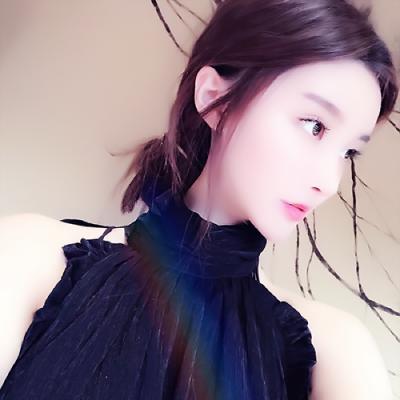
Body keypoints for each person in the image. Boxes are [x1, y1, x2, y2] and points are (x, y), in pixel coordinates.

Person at [0, 0, 398, 399]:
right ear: (214, 100)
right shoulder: (29, 255)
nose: (329, 182)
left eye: (348, 152)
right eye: (314, 126)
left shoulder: (335, 350)